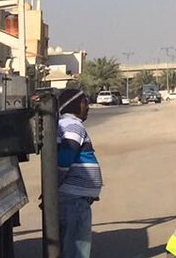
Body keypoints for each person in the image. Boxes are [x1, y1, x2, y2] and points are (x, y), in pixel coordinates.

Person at [57, 87, 103, 257]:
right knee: (76, 250)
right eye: (85, 102)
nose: (88, 107)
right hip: (73, 199)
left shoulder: (66, 125)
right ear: (75, 104)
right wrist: (54, 186)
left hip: (74, 198)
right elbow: (65, 159)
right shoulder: (72, 126)